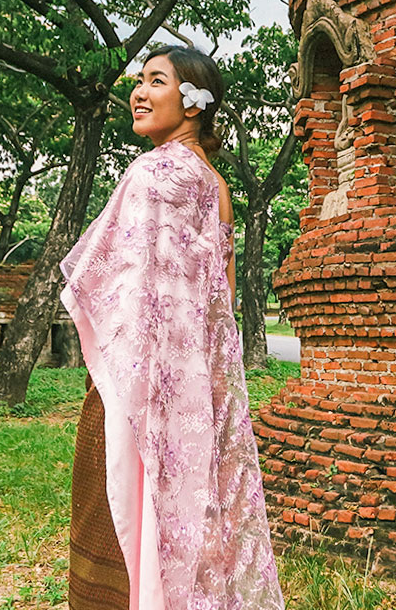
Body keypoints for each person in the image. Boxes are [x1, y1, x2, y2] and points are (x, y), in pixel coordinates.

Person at [61, 45, 284, 610]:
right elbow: (221, 299)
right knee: (193, 512)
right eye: (139, 81)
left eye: (155, 81)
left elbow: (113, 281)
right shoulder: (215, 185)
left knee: (119, 508)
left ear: (191, 103)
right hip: (195, 385)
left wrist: (116, 372)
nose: (138, 92)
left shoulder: (152, 172)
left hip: (141, 376)